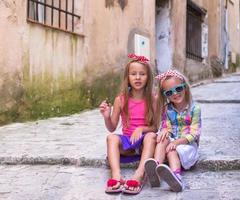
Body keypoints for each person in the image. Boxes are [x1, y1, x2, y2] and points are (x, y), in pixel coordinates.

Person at [99, 54, 157, 195]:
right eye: (133, 74)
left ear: (148, 78)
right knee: (111, 137)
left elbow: (155, 127)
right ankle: (116, 176)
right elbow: (112, 127)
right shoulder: (120, 100)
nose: (137, 78)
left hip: (144, 145)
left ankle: (139, 175)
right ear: (127, 78)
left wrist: (141, 129)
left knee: (151, 136)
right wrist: (107, 117)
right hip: (128, 145)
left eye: (142, 74)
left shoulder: (153, 99)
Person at [144, 69, 201, 192]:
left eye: (178, 89)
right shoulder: (167, 109)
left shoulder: (194, 109)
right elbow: (166, 126)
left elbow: (194, 134)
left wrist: (176, 143)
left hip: (187, 146)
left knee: (171, 150)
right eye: (169, 92)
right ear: (165, 95)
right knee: (163, 138)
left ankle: (177, 177)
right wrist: (164, 130)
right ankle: (156, 168)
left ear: (185, 87)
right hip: (172, 141)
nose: (175, 94)